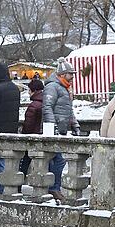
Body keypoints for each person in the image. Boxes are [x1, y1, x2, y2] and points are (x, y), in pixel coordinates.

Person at [42, 60, 80, 200]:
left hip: (61, 130)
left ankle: (53, 187)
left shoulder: (64, 88)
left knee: (58, 160)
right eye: (71, 74)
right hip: (54, 131)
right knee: (57, 160)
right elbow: (47, 107)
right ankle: (53, 188)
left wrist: (75, 125)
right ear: (63, 74)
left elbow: (68, 110)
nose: (73, 77)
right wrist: (53, 127)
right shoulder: (53, 87)